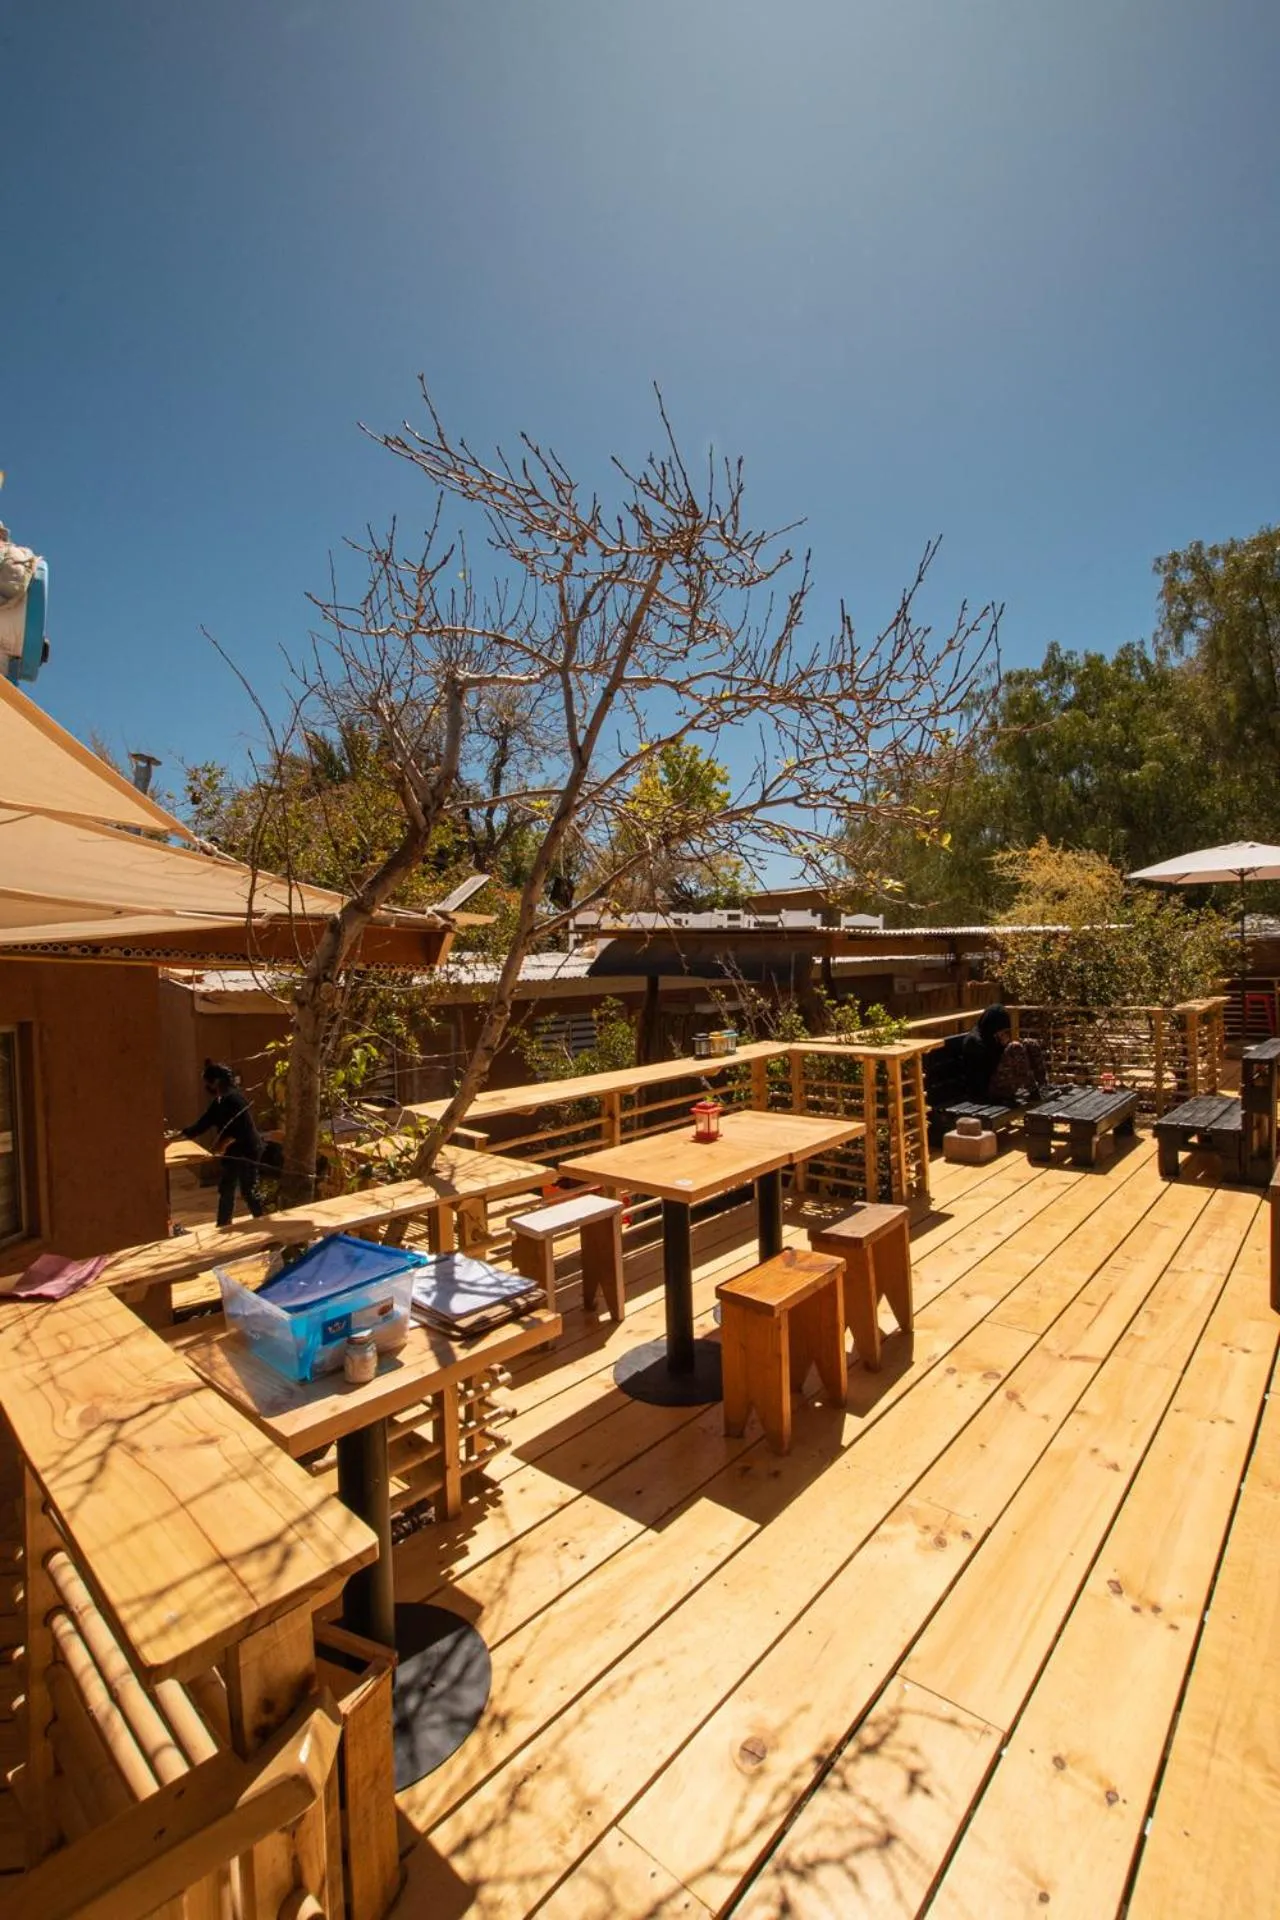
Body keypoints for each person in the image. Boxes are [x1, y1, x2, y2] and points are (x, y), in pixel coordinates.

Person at [180, 1060, 266, 1228]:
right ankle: (223, 1225)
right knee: (226, 1188)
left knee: (249, 1191)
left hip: (248, 1150)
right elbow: (202, 1125)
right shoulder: (218, 1103)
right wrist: (180, 1135)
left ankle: (263, 1222)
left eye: (207, 1083)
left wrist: (222, 1145)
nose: (206, 1087)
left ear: (217, 1081)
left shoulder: (235, 1099)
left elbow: (241, 1130)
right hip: (233, 1152)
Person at [960, 1004, 1048, 1104]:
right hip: (985, 1090)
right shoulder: (975, 1041)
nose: (1003, 1032)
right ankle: (1033, 1090)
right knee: (1015, 1047)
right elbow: (986, 1069)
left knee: (1030, 1043)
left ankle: (1043, 1085)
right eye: (1001, 1029)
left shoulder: (992, 1037)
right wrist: (1004, 1047)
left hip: (998, 1082)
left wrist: (1003, 1046)